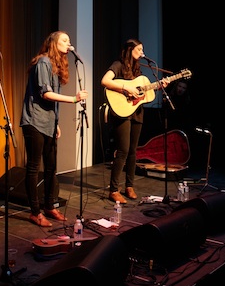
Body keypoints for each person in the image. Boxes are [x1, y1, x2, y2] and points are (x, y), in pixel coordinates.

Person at [20, 31, 88, 227]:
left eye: (69, 41)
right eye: (64, 40)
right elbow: (46, 94)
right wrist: (74, 99)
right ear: (53, 43)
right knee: (34, 167)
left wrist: (56, 122)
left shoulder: (56, 65)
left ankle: (49, 205)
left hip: (49, 122)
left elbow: (51, 101)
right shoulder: (43, 62)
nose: (69, 43)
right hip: (34, 121)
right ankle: (35, 212)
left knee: (51, 167)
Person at [101, 38, 169, 204]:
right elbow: (105, 81)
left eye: (142, 50)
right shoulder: (118, 65)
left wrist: (159, 86)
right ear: (130, 49)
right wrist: (126, 88)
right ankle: (114, 189)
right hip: (122, 112)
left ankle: (129, 186)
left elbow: (143, 92)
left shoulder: (139, 70)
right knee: (123, 150)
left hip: (137, 112)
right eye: (139, 50)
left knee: (133, 150)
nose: (142, 53)